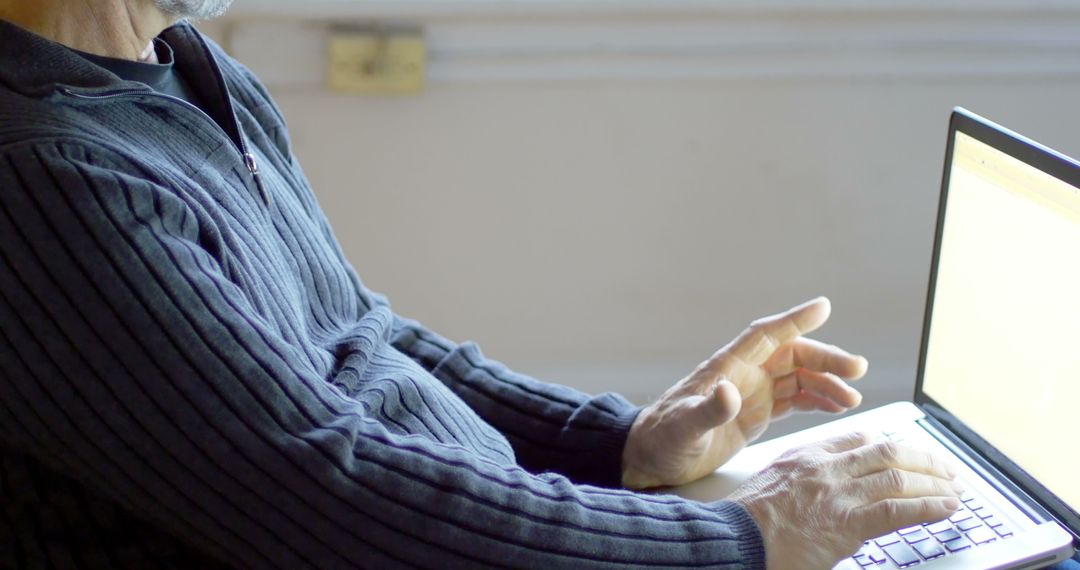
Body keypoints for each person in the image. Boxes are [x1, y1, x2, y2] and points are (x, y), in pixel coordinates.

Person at [0, 1, 990, 568]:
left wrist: (619, 446)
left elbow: (362, 338)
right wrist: (739, 540)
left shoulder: (185, 69)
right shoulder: (49, 175)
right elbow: (326, 495)